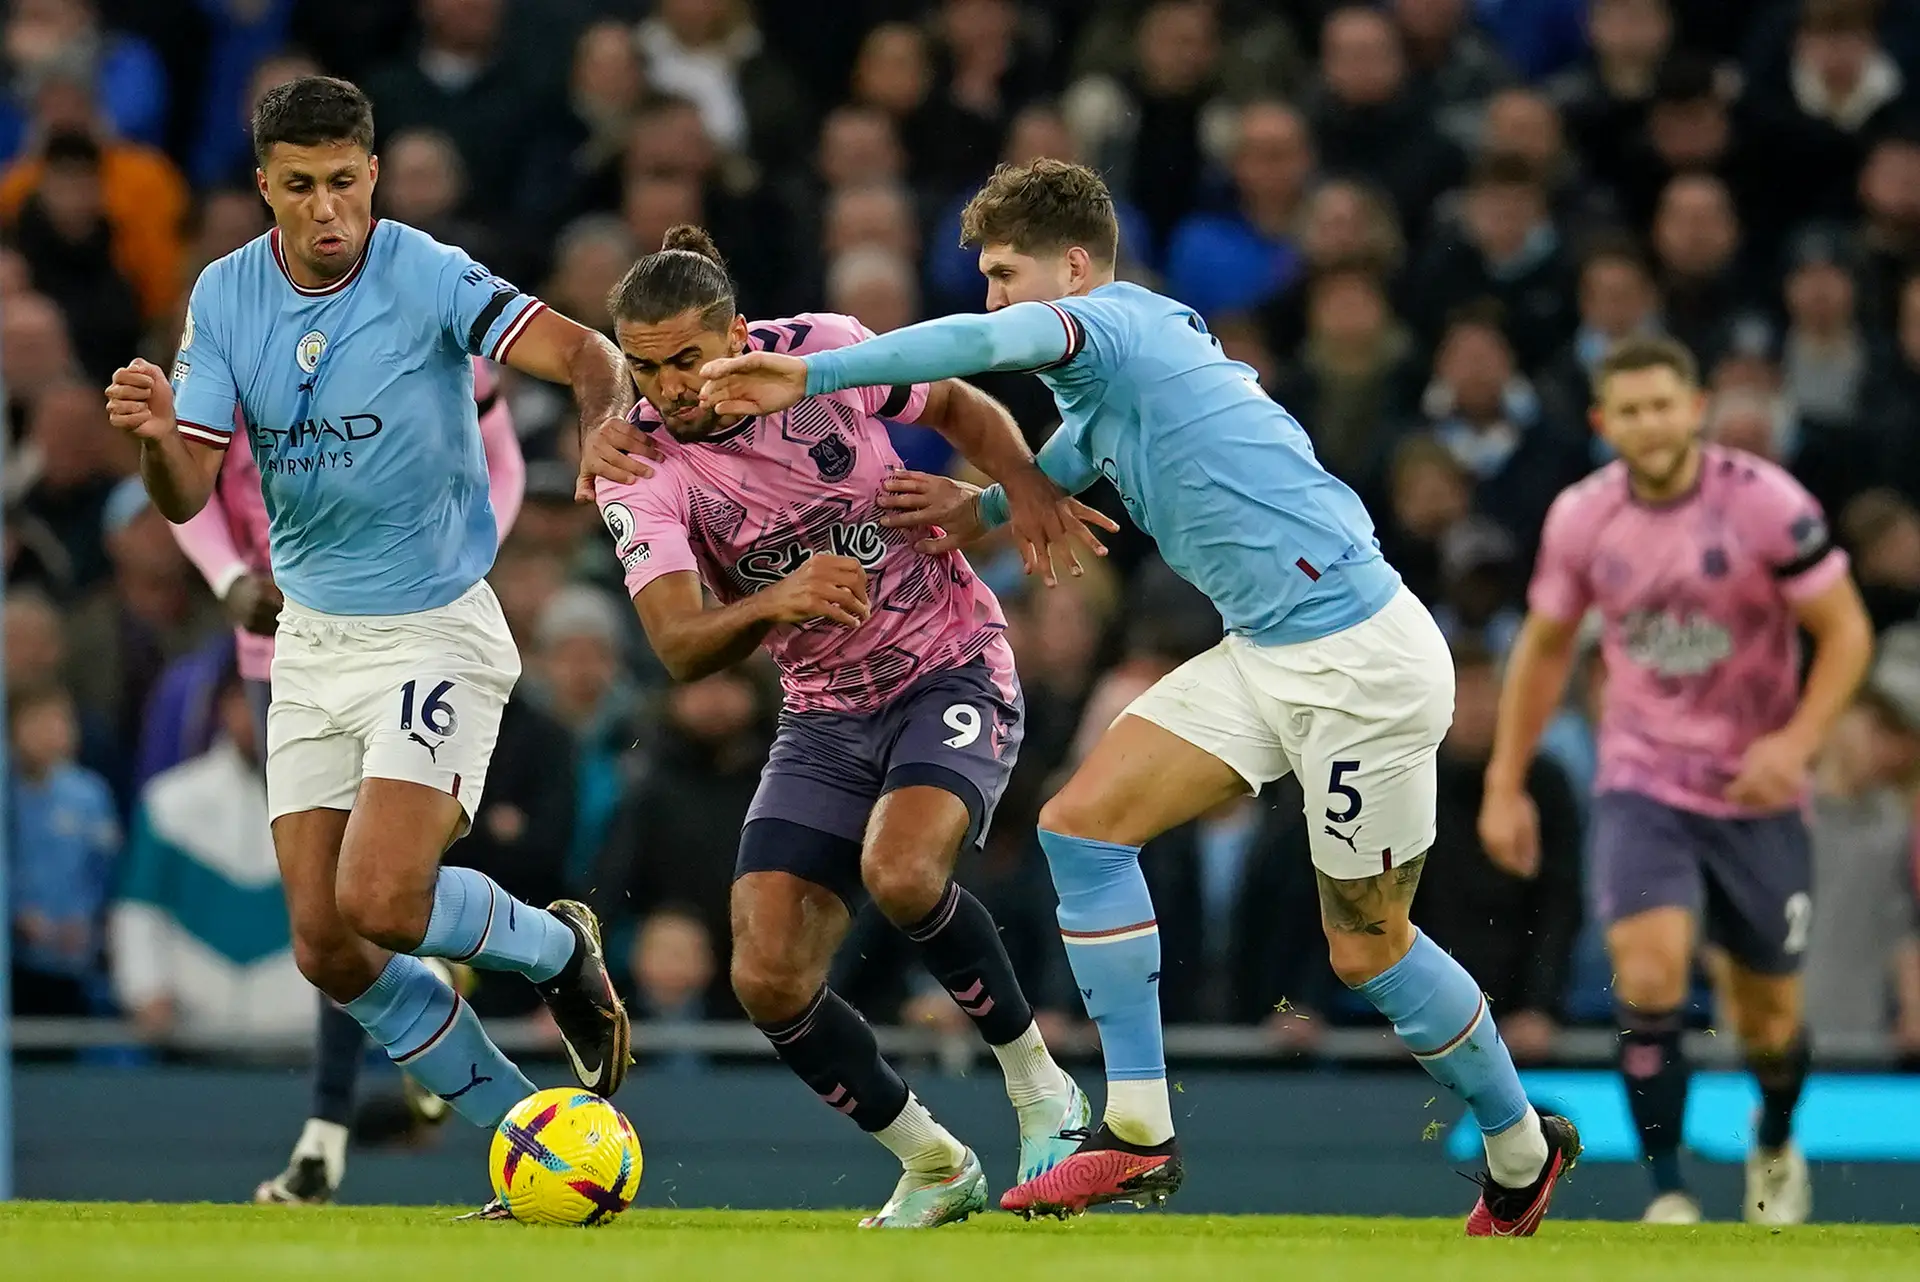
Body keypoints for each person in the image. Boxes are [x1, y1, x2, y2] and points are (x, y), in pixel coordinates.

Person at [696, 158, 1579, 1235]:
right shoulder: (1123, 368)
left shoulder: (1109, 322)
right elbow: (1078, 452)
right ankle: (1140, 1131)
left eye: (1007, 275)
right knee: (1081, 827)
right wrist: (979, 509)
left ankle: (1521, 1148)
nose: (994, 301)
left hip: (1363, 664)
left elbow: (978, 351)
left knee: (1367, 949)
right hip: (1264, 650)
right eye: (984, 278)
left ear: (1074, 266)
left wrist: (815, 377)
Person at [101, 76, 637, 1219]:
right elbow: (189, 482)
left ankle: (554, 947)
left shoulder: (427, 273)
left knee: (387, 900)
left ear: (373, 175)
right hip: (312, 640)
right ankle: (524, 1141)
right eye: (299, 187)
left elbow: (589, 352)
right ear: (266, 189)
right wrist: (156, 439)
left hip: (434, 626)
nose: (326, 207)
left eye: (344, 180)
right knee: (328, 948)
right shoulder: (226, 296)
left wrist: (602, 428)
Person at [590, 223, 1107, 1229]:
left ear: (736, 333)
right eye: (645, 371)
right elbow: (680, 645)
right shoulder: (639, 466)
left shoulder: (822, 352)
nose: (670, 389)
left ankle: (1044, 1091)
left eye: (689, 360)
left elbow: (953, 397)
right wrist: (770, 605)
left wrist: (1015, 492)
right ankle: (934, 1160)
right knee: (768, 974)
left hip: (949, 660)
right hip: (824, 712)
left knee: (904, 872)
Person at [1479, 335, 1873, 1225]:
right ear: (1601, 422)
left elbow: (1846, 631)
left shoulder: (1767, 504)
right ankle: (1669, 1196)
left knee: (1770, 1021)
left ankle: (1774, 1138)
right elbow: (1544, 647)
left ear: (1694, 409)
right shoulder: (1583, 517)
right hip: (1643, 776)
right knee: (1649, 975)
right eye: (1630, 410)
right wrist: (1506, 779)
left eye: (1664, 405)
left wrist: (1798, 744)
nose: (1649, 424)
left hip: (1758, 787)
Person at [169, 356, 524, 1204]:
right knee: (325, 917)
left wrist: (470, 553)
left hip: (408, 630)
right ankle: (334, 1128)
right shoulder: (236, 341)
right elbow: (186, 488)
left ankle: (330, 1130)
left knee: (376, 885)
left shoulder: (418, 327)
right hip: (285, 655)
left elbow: (500, 458)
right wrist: (227, 581)